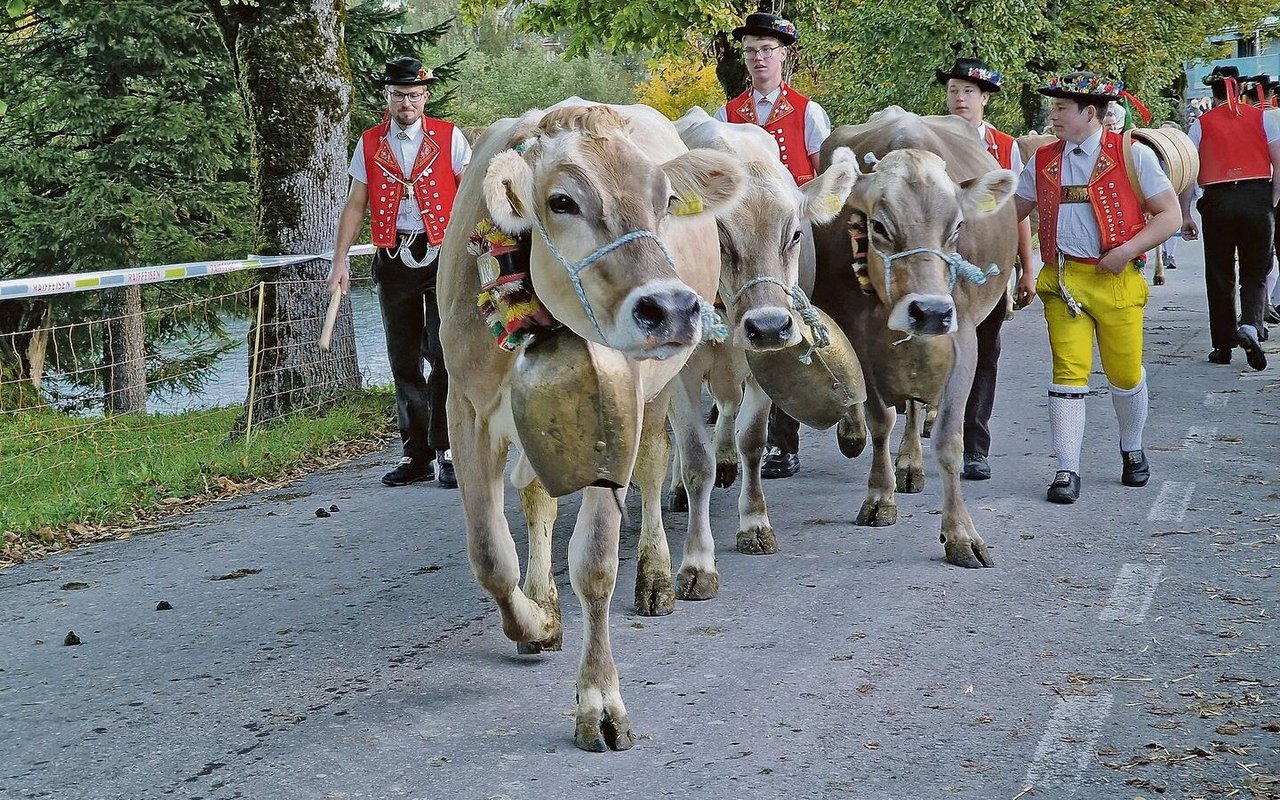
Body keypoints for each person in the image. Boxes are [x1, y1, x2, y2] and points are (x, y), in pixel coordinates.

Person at [1012, 72, 1182, 504]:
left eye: (1061, 109)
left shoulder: (1133, 155)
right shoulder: (1044, 159)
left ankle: (1132, 447)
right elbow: (1011, 208)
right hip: (1063, 281)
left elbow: (1169, 216)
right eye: (1053, 109)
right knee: (1067, 375)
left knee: (1125, 376)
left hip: (1117, 282)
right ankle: (1067, 469)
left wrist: (1128, 251)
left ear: (1091, 113)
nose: (1052, 117)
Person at [327, 57, 472, 487]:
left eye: (413, 95)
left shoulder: (450, 137)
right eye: (397, 95)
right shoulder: (369, 142)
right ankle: (417, 455)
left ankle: (448, 450)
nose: (405, 102)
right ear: (386, 97)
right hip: (393, 257)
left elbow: (467, 197)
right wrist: (340, 261)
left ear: (424, 96)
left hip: (443, 254)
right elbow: (356, 204)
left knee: (443, 353)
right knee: (403, 358)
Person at [715, 11, 831, 479]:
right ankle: (729, 408)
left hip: (790, 233)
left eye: (767, 49)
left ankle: (785, 439)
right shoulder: (728, 113)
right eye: (750, 51)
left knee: (794, 322)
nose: (758, 58)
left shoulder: (809, 111)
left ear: (784, 54)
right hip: (743, 235)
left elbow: (820, 176)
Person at [934, 57, 1038, 481]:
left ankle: (975, 445)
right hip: (940, 262)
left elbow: (1018, 210)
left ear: (985, 98)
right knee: (931, 345)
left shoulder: (1003, 145)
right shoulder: (932, 138)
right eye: (954, 90)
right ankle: (929, 433)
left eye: (969, 91)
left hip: (991, 265)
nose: (960, 98)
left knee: (985, 350)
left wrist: (1026, 268)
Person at [1181, 66, 1280, 372]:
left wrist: (1185, 213)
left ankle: (1222, 346)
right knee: (1256, 268)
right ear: (1239, 90)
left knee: (1220, 272)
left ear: (1212, 93)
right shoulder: (1265, 119)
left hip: (1218, 200)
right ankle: (1250, 324)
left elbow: (1187, 173)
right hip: (1256, 196)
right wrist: (1272, 201)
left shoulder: (1200, 124)